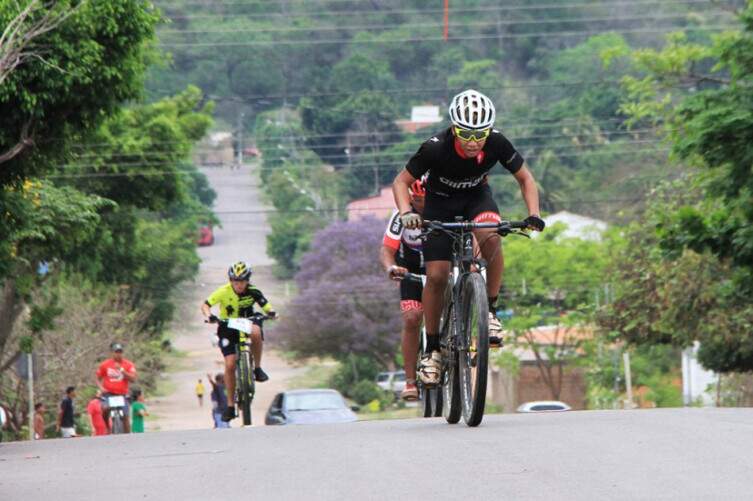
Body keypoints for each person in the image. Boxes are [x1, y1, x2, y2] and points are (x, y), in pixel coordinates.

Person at [392, 89, 545, 385]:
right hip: (440, 203)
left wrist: (534, 213)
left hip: (477, 198)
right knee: (436, 275)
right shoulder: (435, 147)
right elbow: (401, 182)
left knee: (492, 237)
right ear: (453, 128)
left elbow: (526, 178)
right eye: (466, 134)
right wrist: (405, 212)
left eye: (481, 134)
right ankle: (433, 349)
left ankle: (491, 311)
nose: (474, 142)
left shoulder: (497, 142)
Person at [201, 261, 277, 422]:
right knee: (229, 364)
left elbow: (266, 306)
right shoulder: (223, 291)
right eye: (235, 281)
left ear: (248, 280)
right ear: (230, 281)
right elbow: (206, 305)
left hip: (248, 321)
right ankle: (230, 406)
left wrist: (271, 313)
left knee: (256, 331)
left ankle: (257, 368)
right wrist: (209, 316)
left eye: (242, 281)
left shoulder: (254, 291)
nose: (239, 285)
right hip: (227, 326)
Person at [380, 176, 427, 401]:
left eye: (426, 200)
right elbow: (387, 250)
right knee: (411, 318)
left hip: (441, 269)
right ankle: (410, 381)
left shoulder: (444, 209)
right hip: (411, 273)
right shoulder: (401, 215)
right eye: (417, 200)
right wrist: (391, 268)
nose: (421, 206)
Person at [96, 342, 137, 433]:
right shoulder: (105, 364)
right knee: (105, 409)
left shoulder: (128, 364)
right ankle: (107, 427)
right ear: (112, 353)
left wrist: (122, 370)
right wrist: (100, 388)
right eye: (116, 352)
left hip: (122, 394)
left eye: (120, 352)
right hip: (108, 393)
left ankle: (127, 435)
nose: (118, 354)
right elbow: (98, 379)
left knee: (126, 416)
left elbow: (133, 379)